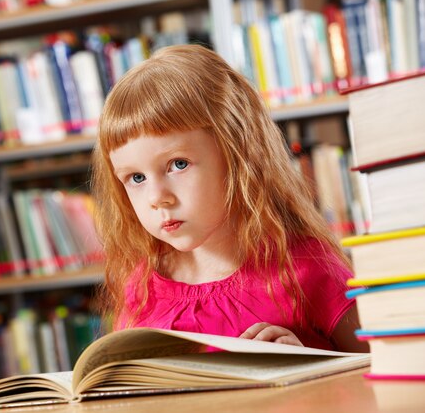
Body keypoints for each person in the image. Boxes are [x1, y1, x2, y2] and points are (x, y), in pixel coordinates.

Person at [90, 44, 368, 352]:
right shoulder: (141, 287)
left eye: (178, 164)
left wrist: (309, 361)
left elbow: (377, 371)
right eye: (136, 178)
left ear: (237, 155)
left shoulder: (308, 267)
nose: (158, 198)